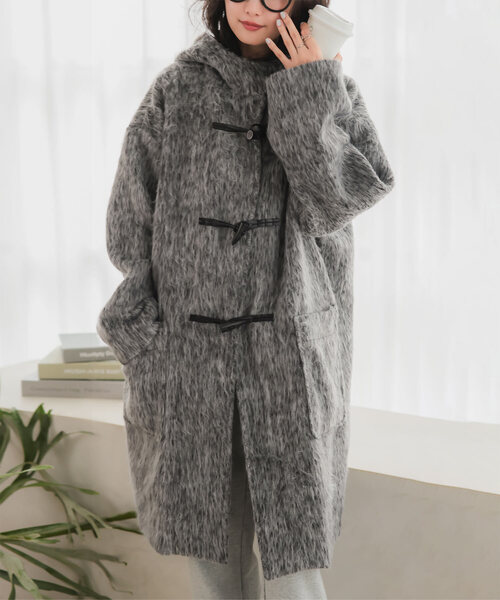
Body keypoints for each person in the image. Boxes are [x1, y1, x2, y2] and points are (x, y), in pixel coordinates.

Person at [96, 0, 395, 597]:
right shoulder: (176, 91)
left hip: (289, 361)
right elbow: (129, 225)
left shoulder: (332, 91)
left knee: (295, 569)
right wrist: (145, 342)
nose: (254, 7)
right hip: (188, 361)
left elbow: (335, 203)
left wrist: (307, 90)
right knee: (213, 563)